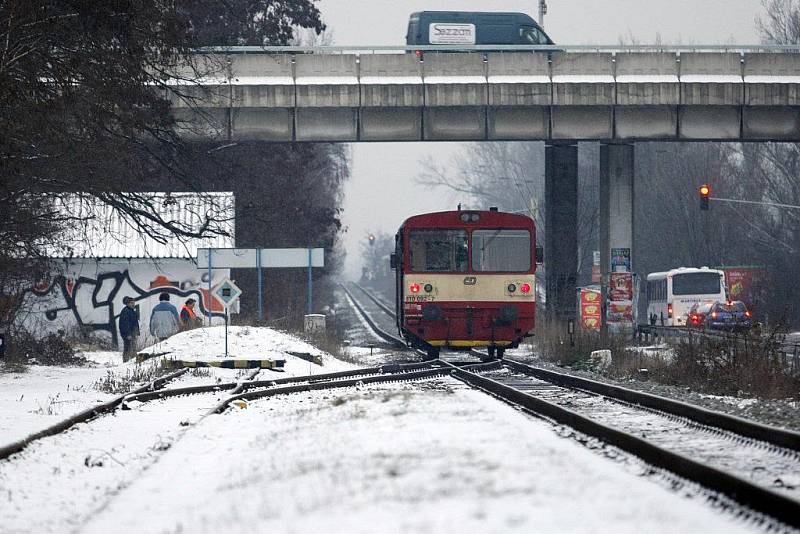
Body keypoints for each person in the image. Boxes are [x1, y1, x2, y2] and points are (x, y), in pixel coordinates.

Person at [119, 296, 140, 362]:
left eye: (134, 303)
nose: (133, 304)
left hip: (132, 333)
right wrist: (128, 334)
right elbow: (124, 324)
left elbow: (135, 323)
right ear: (127, 303)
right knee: (128, 348)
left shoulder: (131, 311)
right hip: (128, 334)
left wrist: (137, 332)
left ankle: (132, 361)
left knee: (132, 348)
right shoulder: (126, 311)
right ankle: (126, 362)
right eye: (131, 303)